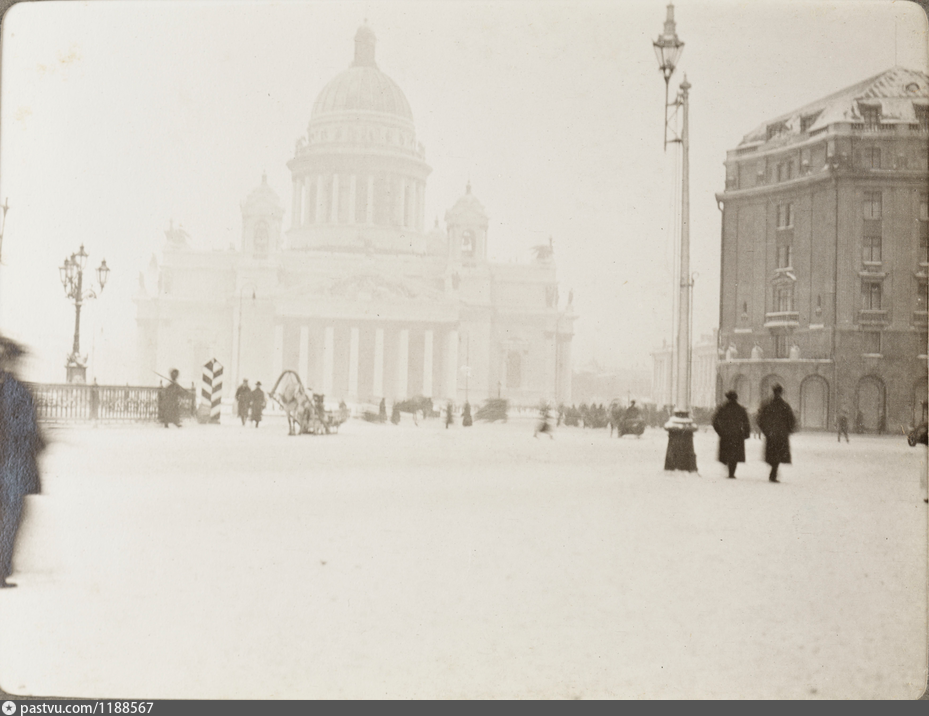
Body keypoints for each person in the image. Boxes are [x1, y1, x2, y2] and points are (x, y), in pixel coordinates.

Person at [0, 338, 46, 588]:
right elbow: (26, 428)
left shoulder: (16, 388)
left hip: (10, 463)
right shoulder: (18, 389)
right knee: (10, 516)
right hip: (11, 465)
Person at [757, 384, 796, 483]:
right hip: (781, 434)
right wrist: (789, 430)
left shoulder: (767, 404)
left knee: (772, 454)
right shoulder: (785, 405)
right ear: (781, 392)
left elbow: (760, 419)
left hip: (771, 434)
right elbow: (791, 419)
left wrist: (765, 430)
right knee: (777, 455)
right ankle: (774, 471)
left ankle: (773, 471)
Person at [712, 390, 751, 479]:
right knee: (734, 455)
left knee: (726, 453)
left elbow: (715, 421)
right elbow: (746, 422)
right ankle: (731, 472)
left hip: (725, 435)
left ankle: (728, 467)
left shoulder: (722, 408)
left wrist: (720, 431)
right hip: (737, 435)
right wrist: (746, 433)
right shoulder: (740, 409)